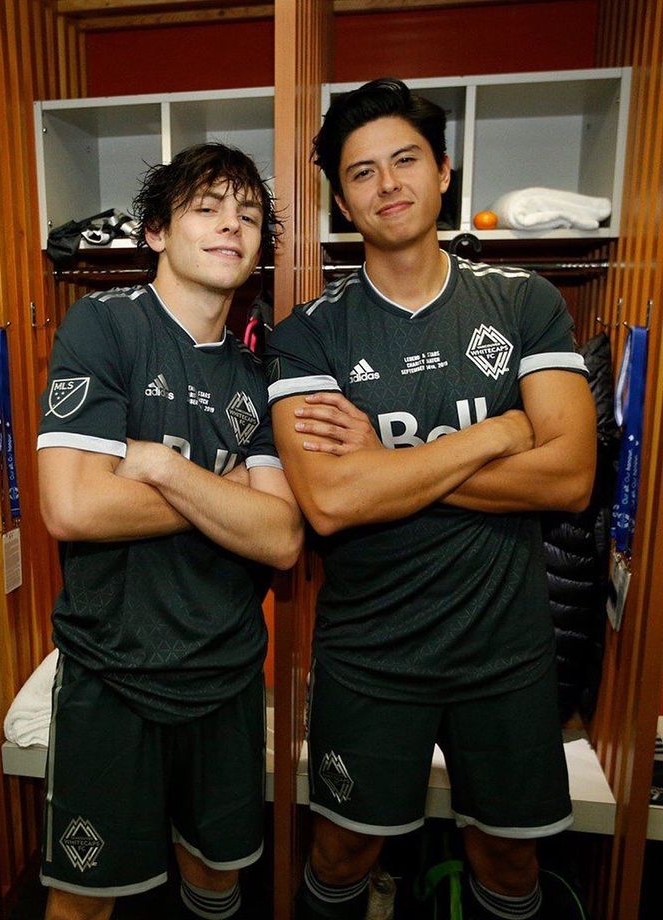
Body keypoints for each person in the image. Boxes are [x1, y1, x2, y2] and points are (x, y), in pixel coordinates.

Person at [266, 79, 596, 920]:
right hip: (372, 653)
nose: (388, 184)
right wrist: (492, 436)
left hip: (507, 649)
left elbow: (569, 477)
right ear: (341, 199)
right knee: (342, 851)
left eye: (405, 160)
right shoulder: (309, 332)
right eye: (363, 172)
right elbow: (332, 503)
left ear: (444, 170)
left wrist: (392, 465)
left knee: (512, 861)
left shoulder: (523, 301)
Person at [37, 143, 303, 920]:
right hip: (111, 676)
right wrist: (229, 499)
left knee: (216, 879)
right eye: (207, 208)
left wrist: (160, 467)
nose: (232, 226)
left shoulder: (259, 373)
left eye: (249, 214)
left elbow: (283, 539)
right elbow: (74, 508)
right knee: (84, 902)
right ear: (156, 230)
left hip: (224, 678)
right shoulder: (104, 326)